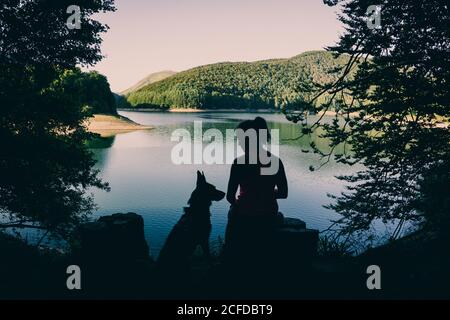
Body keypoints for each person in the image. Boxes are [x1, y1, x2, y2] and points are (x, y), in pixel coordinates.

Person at [223, 117, 288, 264]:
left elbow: (229, 196)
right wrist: (265, 195)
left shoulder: (239, 163)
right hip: (268, 215)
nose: (238, 142)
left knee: (232, 213)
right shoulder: (276, 161)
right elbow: (283, 193)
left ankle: (227, 256)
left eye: (240, 138)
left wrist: (242, 202)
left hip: (243, 216)